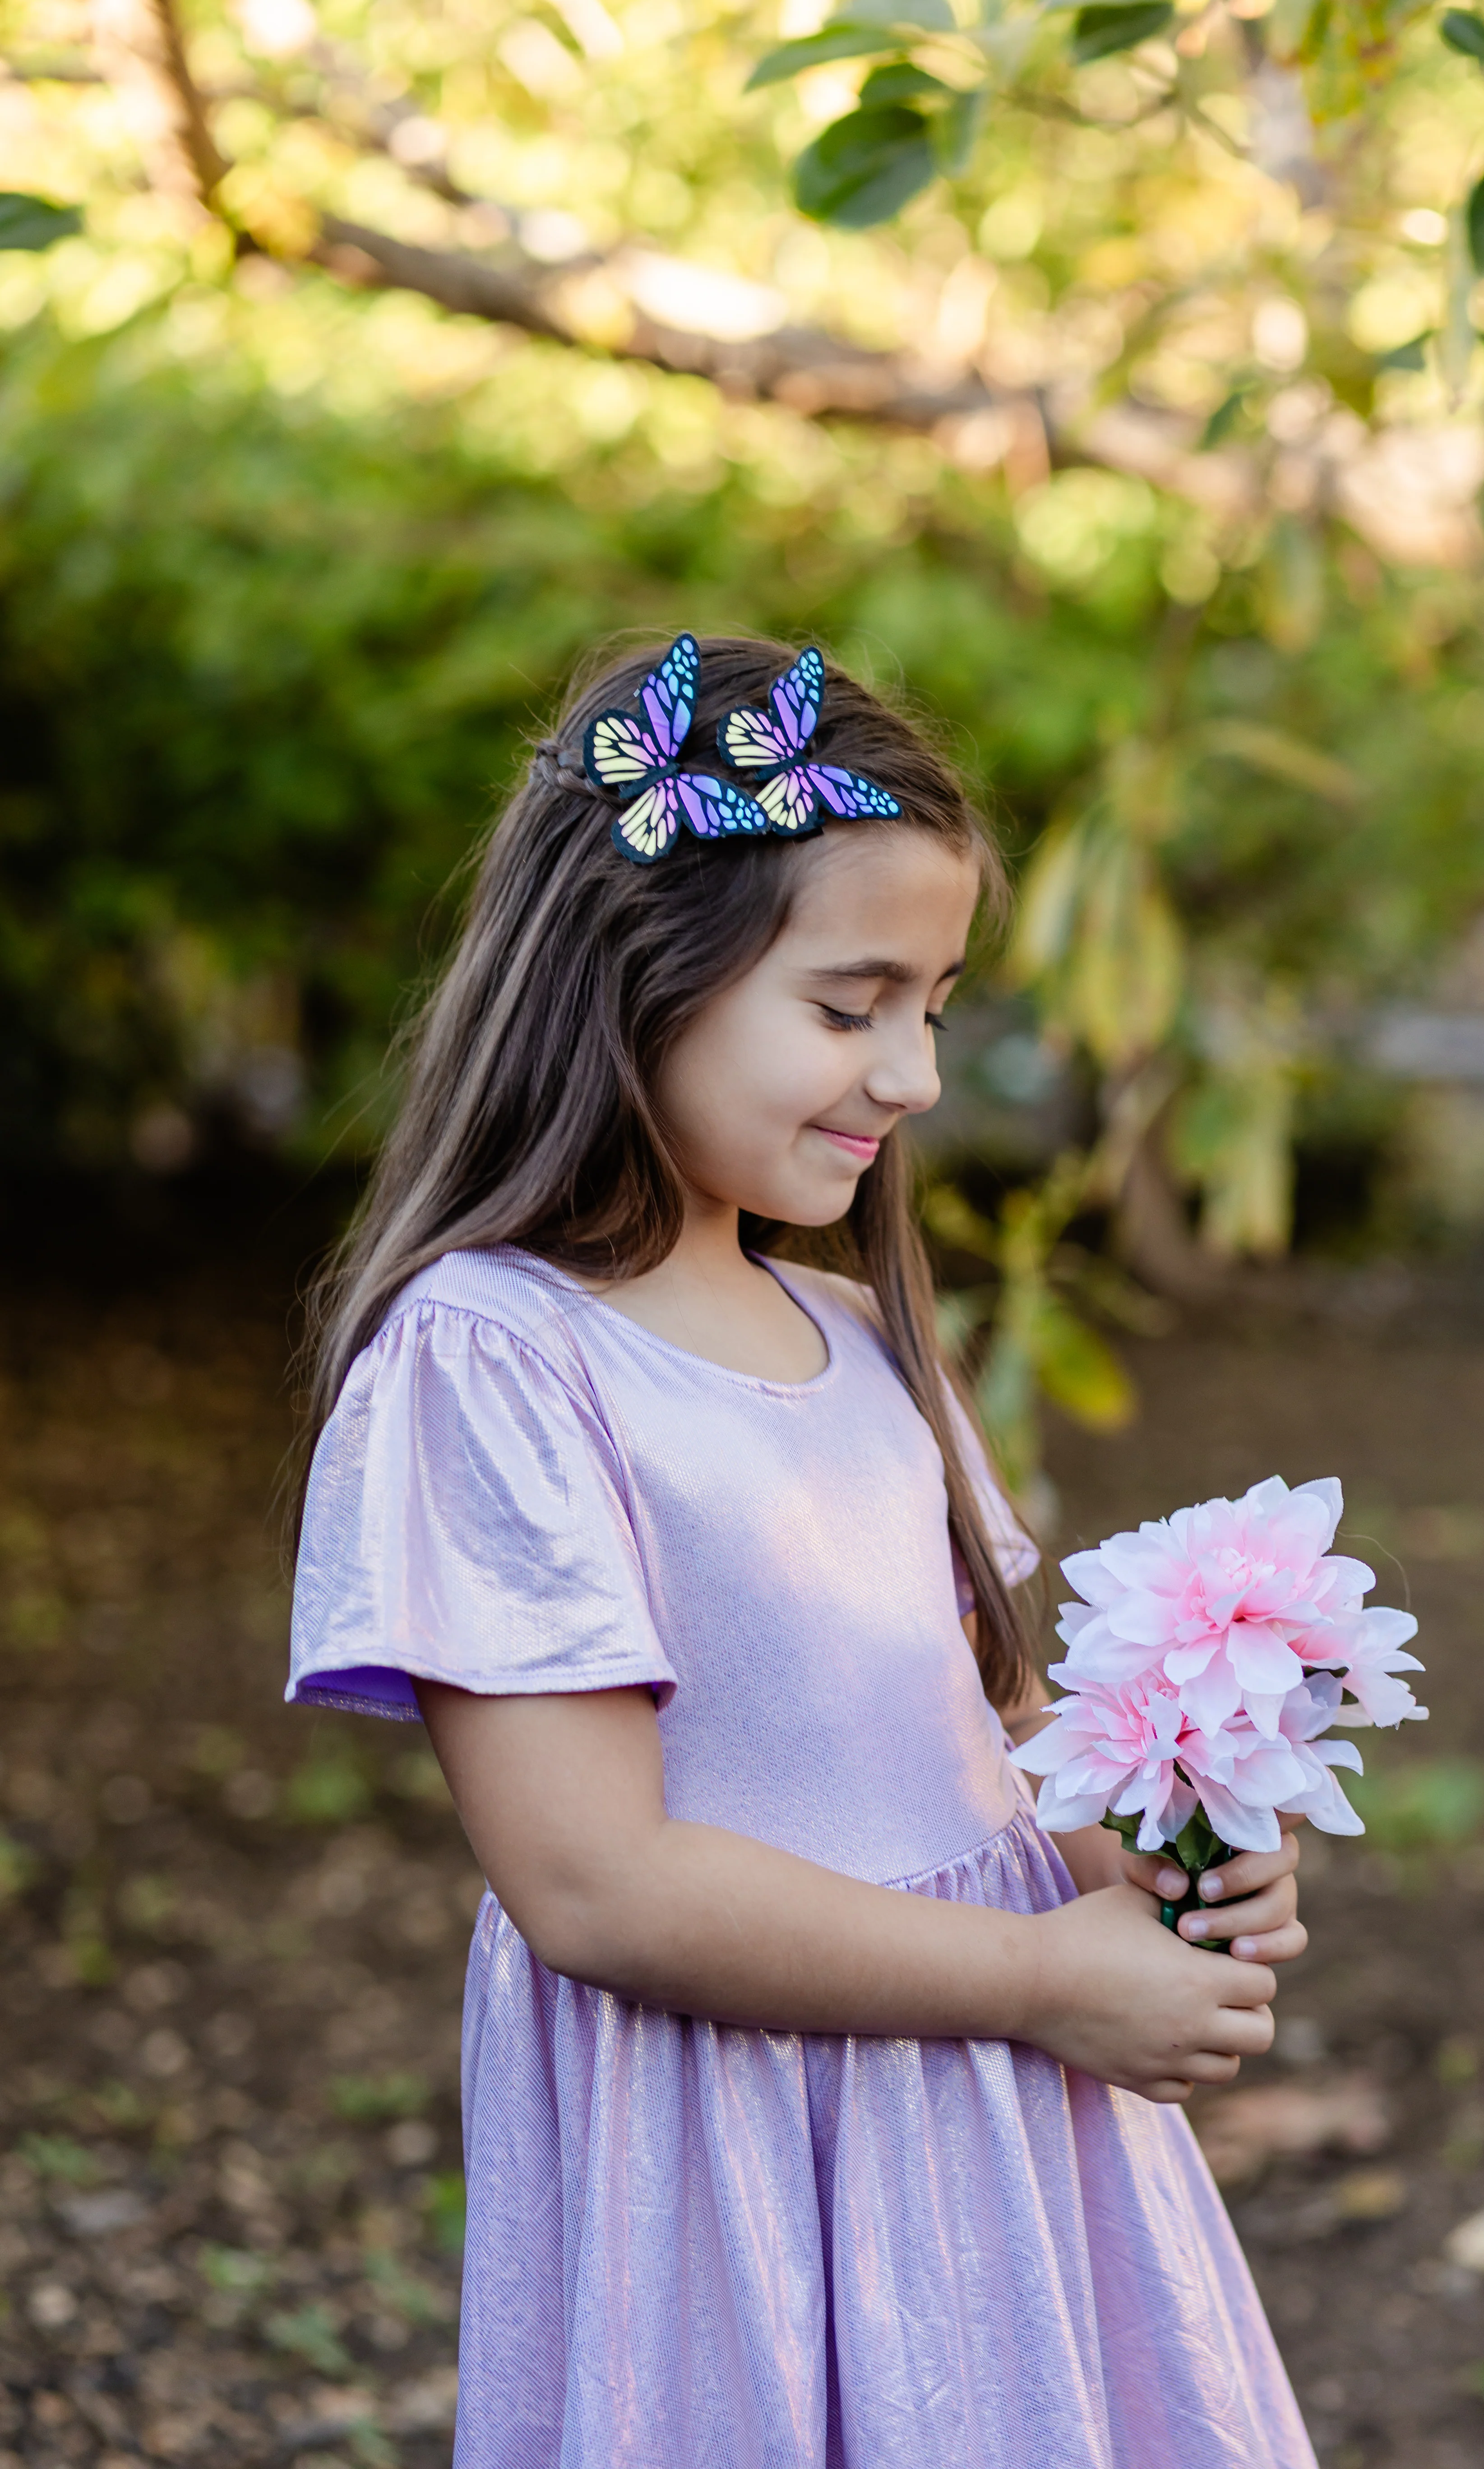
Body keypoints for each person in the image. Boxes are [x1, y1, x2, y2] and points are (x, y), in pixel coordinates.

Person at [288, 633, 1315, 2469]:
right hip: (749, 2157)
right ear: (635, 979)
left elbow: (993, 1733)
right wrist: (1039, 1982)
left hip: (1009, 2144)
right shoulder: (499, 1357)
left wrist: (1161, 1866)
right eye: (853, 1006)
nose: (915, 1072)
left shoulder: (857, 1343)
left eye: (935, 1005)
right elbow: (595, 1885)